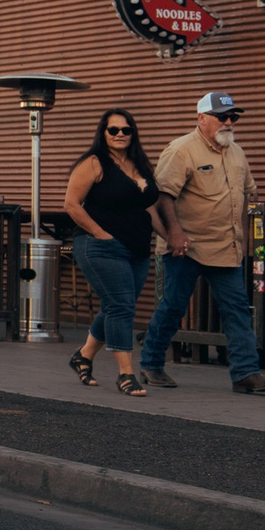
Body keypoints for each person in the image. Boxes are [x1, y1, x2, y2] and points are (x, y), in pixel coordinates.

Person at [139, 90, 265, 395]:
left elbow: (245, 196)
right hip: (185, 246)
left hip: (225, 246)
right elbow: (163, 196)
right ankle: (151, 363)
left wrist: (242, 238)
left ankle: (246, 373)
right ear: (201, 118)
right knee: (173, 306)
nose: (228, 122)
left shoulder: (237, 152)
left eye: (233, 117)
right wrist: (174, 234)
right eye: (222, 117)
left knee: (237, 310)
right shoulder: (181, 150)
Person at [61, 108, 167, 397]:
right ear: (103, 133)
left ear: (133, 133)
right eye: (114, 130)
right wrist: (100, 234)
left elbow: (148, 207)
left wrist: (168, 236)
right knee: (122, 307)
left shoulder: (140, 165)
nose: (120, 135)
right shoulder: (93, 163)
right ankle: (125, 374)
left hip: (137, 248)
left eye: (126, 130)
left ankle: (83, 356)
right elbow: (71, 204)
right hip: (101, 246)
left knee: (114, 306)